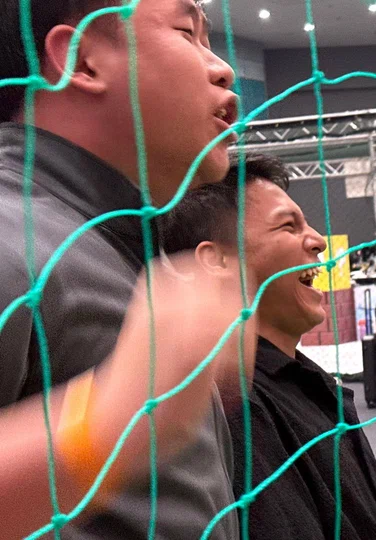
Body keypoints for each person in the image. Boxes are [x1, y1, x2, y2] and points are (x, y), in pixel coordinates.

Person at [0, 1, 254, 538]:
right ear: (83, 59)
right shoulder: (10, 234)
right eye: (187, 33)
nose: (223, 67)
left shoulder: (107, 241)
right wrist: (107, 423)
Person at [158, 154, 376, 539]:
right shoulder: (232, 408)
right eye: (289, 226)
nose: (319, 241)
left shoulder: (304, 382)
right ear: (218, 260)